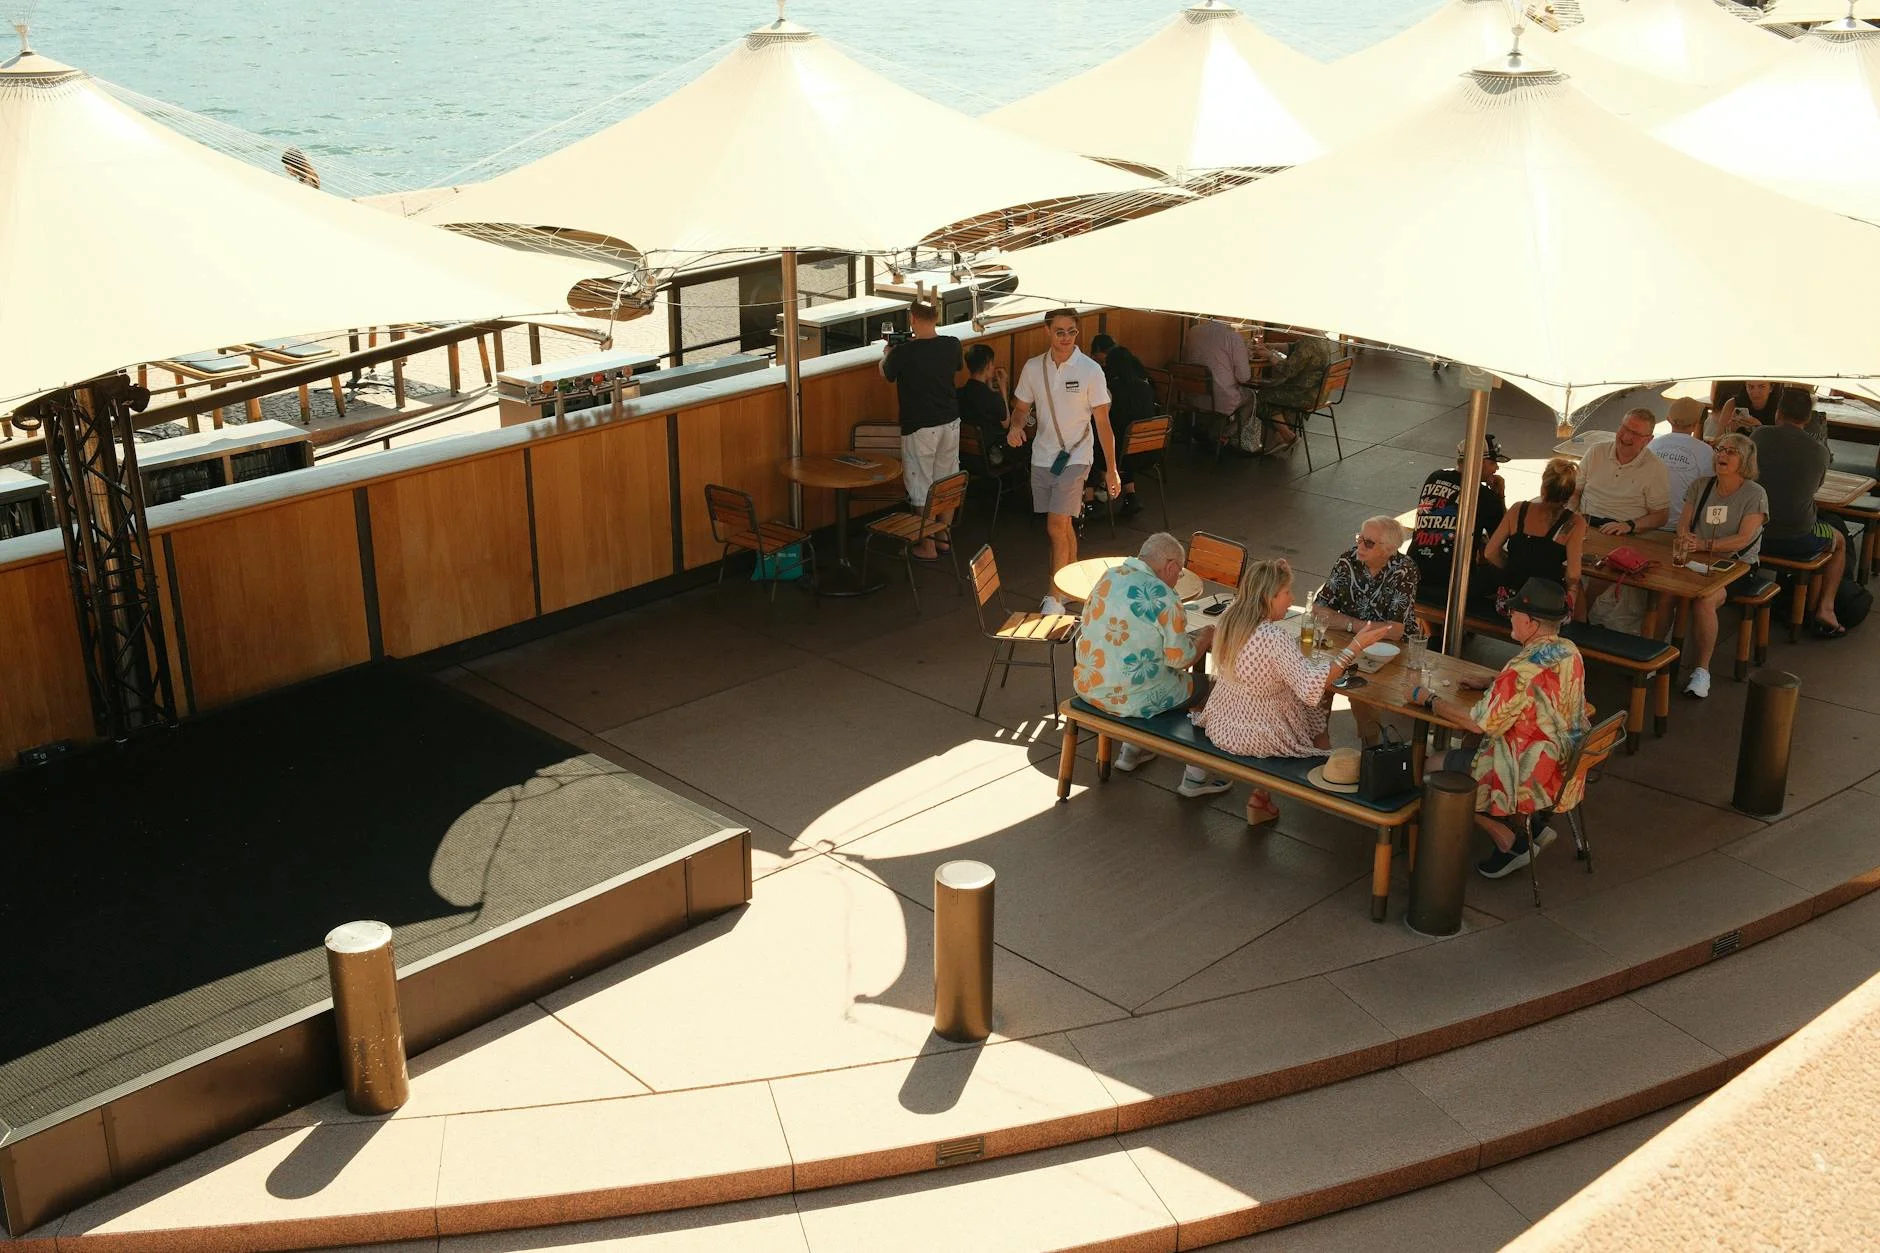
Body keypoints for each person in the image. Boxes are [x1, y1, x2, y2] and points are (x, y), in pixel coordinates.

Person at [1410, 578, 1589, 879]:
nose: (1510, 616)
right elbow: (1536, 687)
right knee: (1467, 745)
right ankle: (1531, 828)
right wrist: (1493, 681)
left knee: (1428, 766)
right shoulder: (1568, 650)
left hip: (1525, 775)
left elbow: (1477, 722)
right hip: (1563, 764)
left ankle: (1505, 836)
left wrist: (1427, 699)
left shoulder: (1520, 670)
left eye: (1515, 612)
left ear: (1531, 622)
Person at [1192, 558, 1392, 826]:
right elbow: (1311, 684)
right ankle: (1325, 783)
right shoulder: (1275, 638)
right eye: (1286, 592)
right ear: (1268, 597)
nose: (1291, 599)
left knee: (1309, 708)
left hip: (1222, 723)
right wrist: (1354, 647)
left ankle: (1262, 798)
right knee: (1317, 706)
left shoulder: (1230, 621)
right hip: (1259, 735)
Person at [1072, 532, 1229, 795]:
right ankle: (1196, 776)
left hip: (1090, 685)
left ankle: (1132, 750)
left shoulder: (1110, 576)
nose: (1176, 581)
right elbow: (1180, 659)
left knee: (1143, 672)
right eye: (1178, 575)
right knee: (1214, 689)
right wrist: (1206, 637)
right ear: (1170, 566)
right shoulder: (1164, 597)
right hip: (1134, 698)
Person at [1010, 309, 1121, 583]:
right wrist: (1016, 425)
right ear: (1046, 331)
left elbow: (1104, 424)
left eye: (1072, 331)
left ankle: (1056, 596)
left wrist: (1112, 469)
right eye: (1060, 331)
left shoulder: (1091, 370)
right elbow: (1021, 407)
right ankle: (1073, 584)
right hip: (1043, 455)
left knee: (1055, 525)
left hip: (1077, 456)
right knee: (1063, 525)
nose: (1066, 337)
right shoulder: (1033, 367)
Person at [1675, 434, 1769, 698]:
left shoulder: (1755, 494)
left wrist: (1704, 544)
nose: (1722, 455)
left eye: (1731, 452)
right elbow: (1684, 522)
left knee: (1704, 601)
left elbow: (1744, 538)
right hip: (1696, 559)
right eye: (1720, 449)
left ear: (1745, 461)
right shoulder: (1701, 485)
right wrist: (1685, 537)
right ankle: (1657, 656)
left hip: (1736, 566)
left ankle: (1702, 671)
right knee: (1664, 592)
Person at [1313, 516, 1419, 744]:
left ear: (1389, 549)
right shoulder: (1347, 560)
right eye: (1360, 539)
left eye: (1368, 543)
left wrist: (1342, 622)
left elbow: (1395, 630)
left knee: (1361, 688)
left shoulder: (1404, 569)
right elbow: (1318, 609)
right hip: (1348, 641)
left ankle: (1372, 747)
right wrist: (1356, 628)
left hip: (1389, 651)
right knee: (1321, 679)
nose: (1360, 547)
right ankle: (1318, 743)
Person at [1753, 389, 1848, 637]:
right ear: (1807, 419)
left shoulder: (1759, 435)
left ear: (1778, 413)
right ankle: (1825, 608)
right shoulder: (1818, 451)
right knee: (1838, 540)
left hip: (1753, 532)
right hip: (1797, 537)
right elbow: (1814, 489)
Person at [878, 301, 962, 560]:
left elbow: (885, 374)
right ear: (936, 317)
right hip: (950, 421)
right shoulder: (952, 344)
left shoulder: (904, 352)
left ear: (912, 318)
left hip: (919, 426)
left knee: (921, 485)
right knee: (946, 480)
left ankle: (926, 545)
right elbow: (956, 367)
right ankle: (943, 537)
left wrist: (887, 352)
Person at [1410, 434, 1510, 606]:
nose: (1497, 469)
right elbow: (1502, 536)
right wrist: (1499, 496)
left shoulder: (1434, 477)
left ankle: (1434, 631)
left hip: (1415, 572)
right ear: (1479, 462)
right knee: (1501, 570)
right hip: (1453, 583)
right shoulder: (1486, 497)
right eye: (1493, 462)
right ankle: (1465, 626)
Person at [1481, 458, 1586, 618]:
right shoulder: (1574, 523)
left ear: (1543, 488)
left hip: (1510, 603)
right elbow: (1573, 574)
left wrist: (1514, 567)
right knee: (1578, 591)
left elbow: (1490, 552)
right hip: (1546, 608)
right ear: (1570, 493)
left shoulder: (1518, 510)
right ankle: (1579, 636)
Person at [1571, 408, 1669, 536]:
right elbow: (1575, 491)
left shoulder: (1655, 468)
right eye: (1625, 429)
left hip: (1623, 532)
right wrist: (1570, 512)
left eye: (1635, 434)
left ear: (1648, 440)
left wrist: (1630, 525)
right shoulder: (1596, 452)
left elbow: (1661, 516)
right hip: (1585, 523)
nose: (1627, 437)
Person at [1087, 333, 1153, 518]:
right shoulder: (1144, 387)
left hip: (1124, 453)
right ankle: (1130, 496)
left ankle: (1089, 499)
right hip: (1150, 450)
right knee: (1125, 442)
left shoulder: (1113, 392)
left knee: (1091, 444)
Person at [1180, 317, 1261, 452]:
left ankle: (1210, 430)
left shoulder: (1193, 331)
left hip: (1192, 395)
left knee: (1221, 391)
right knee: (1252, 397)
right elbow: (1244, 377)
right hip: (1220, 400)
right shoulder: (1233, 338)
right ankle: (1224, 434)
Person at [1254, 333, 1339, 450]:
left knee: (1262, 397)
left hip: (1305, 395)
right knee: (1274, 391)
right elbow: (1295, 347)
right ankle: (1280, 436)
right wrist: (1273, 345)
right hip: (1320, 392)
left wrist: (1269, 355)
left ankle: (1288, 436)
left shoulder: (1307, 343)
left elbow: (1288, 370)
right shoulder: (1321, 337)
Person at [1649, 398, 1713, 531]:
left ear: (1668, 419)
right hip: (1682, 526)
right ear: (1696, 423)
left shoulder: (1652, 444)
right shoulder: (1706, 451)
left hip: (1648, 520)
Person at [956, 343, 1012, 474]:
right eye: (992, 364)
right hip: (990, 457)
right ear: (988, 366)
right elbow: (1006, 423)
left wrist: (989, 385)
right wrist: (1003, 389)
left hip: (964, 456)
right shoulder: (993, 398)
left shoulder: (958, 393)